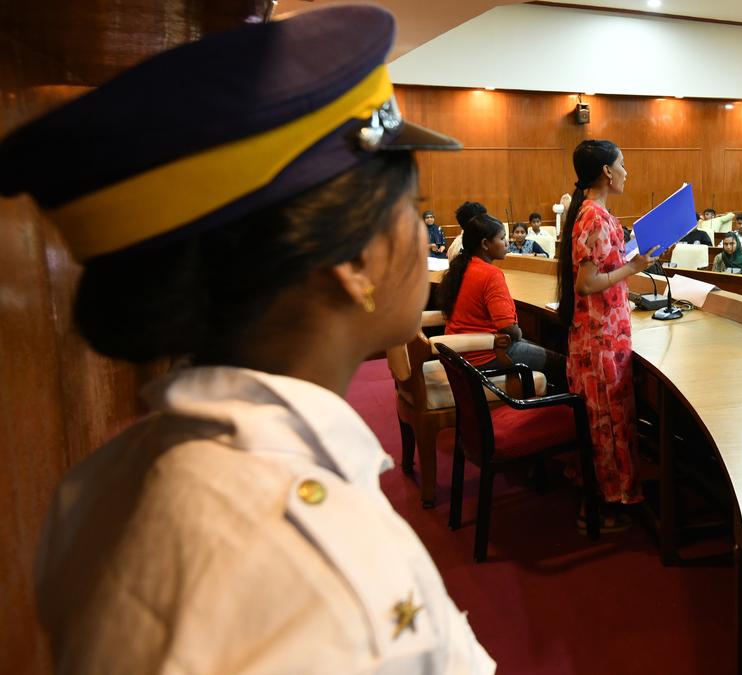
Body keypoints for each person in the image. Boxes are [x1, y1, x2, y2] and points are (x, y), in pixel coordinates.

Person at [0, 6, 495, 673]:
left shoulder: (115, 474)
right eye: (410, 208)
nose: (420, 231)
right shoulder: (318, 580)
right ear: (353, 262)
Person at [556, 139, 660, 525]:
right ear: (605, 171)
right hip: (601, 337)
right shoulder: (595, 217)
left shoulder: (589, 212)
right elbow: (587, 283)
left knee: (607, 419)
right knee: (608, 421)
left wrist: (631, 261)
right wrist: (634, 268)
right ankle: (605, 503)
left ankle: (605, 496)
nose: (626, 172)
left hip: (601, 332)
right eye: (622, 164)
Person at [442, 214, 566, 388]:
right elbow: (508, 327)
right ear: (485, 244)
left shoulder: (463, 266)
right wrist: (519, 334)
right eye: (502, 238)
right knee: (564, 364)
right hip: (487, 354)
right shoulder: (490, 274)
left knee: (538, 347)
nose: (507, 243)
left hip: (460, 353)